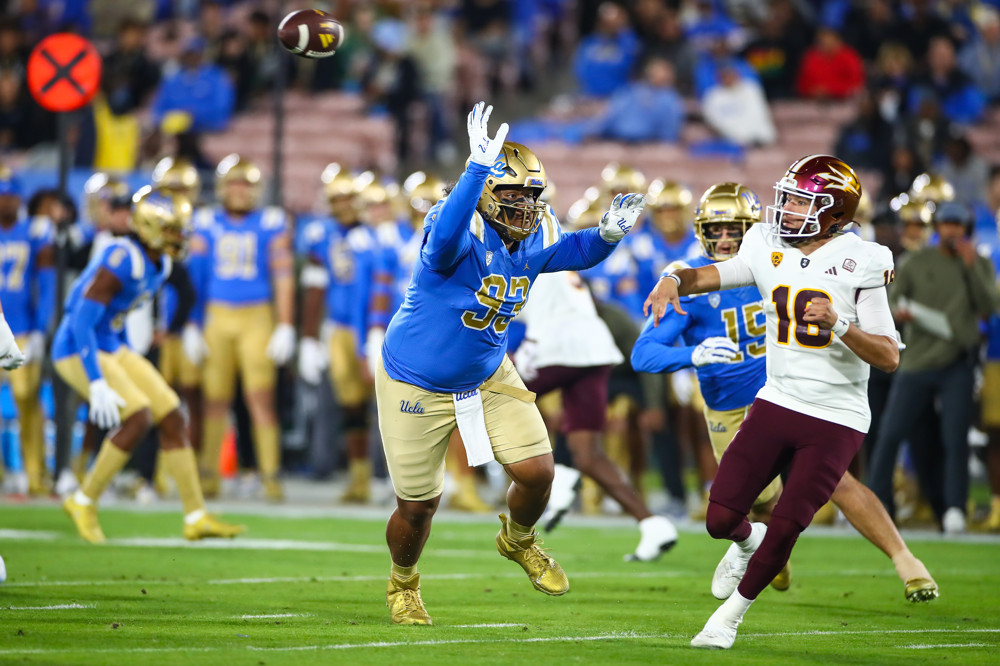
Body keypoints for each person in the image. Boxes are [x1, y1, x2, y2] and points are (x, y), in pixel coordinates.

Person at [376, 102, 646, 625]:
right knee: (417, 507)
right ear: (482, 194)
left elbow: (575, 251)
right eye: (511, 194)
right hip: (416, 379)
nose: (525, 205)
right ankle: (403, 583)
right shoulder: (454, 226)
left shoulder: (535, 232)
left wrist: (608, 236)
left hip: (486, 374)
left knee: (537, 471)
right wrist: (475, 169)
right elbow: (441, 248)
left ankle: (518, 540)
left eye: (531, 194)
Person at [632, 181, 938, 601]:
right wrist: (693, 351)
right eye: (715, 230)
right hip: (729, 410)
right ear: (700, 230)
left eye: (734, 229)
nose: (724, 239)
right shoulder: (708, 278)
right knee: (754, 504)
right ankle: (755, 544)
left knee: (838, 483)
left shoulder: (780, 259)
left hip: (783, 395)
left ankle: (907, 562)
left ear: (750, 228)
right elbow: (643, 353)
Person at [56, 186, 243, 543]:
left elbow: (117, 312)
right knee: (138, 416)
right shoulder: (121, 259)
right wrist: (96, 381)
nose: (180, 236)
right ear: (150, 228)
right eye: (173, 229)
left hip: (111, 344)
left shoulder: (161, 260)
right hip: (76, 347)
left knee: (172, 414)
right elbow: (80, 322)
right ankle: (83, 500)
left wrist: (127, 349)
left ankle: (195, 515)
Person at [513, 260, 678, 560]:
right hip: (594, 349)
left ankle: (547, 489)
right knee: (587, 453)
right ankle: (653, 524)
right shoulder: (551, 253)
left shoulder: (523, 251)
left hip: (556, 346)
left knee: (494, 400)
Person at [868, 200, 998, 534]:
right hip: (916, 361)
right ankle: (880, 502)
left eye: (958, 225)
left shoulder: (978, 263)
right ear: (938, 228)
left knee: (955, 439)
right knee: (889, 434)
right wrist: (902, 311)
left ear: (965, 229)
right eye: (946, 224)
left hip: (957, 364)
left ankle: (955, 506)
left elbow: (989, 307)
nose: (952, 230)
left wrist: (971, 268)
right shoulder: (916, 261)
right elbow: (892, 299)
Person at [185, 155, 295, 502]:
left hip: (256, 316)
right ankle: (208, 476)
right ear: (221, 187)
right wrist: (192, 322)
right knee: (214, 399)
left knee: (260, 399)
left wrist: (286, 324)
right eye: (234, 183)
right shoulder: (205, 222)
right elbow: (196, 279)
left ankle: (270, 476)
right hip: (217, 315)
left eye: (246, 184)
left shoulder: (271, 223)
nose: (239, 191)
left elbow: (283, 277)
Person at [0, 165, 54, 495]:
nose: (6, 202)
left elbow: (47, 284)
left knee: (26, 397)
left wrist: (39, 330)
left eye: (10, 196)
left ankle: (35, 472)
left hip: (20, 328)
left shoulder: (35, 231)